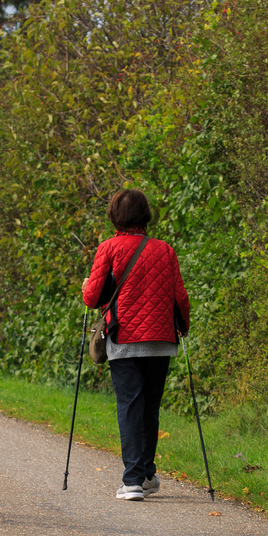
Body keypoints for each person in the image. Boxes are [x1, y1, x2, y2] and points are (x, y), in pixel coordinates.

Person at [81, 188, 190, 501]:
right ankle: (146, 474)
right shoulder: (165, 250)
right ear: (146, 215)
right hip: (161, 340)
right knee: (149, 407)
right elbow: (180, 297)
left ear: (115, 215)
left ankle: (131, 482)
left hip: (125, 338)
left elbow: (93, 297)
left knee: (130, 405)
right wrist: (183, 327)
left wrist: (87, 287)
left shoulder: (109, 248)